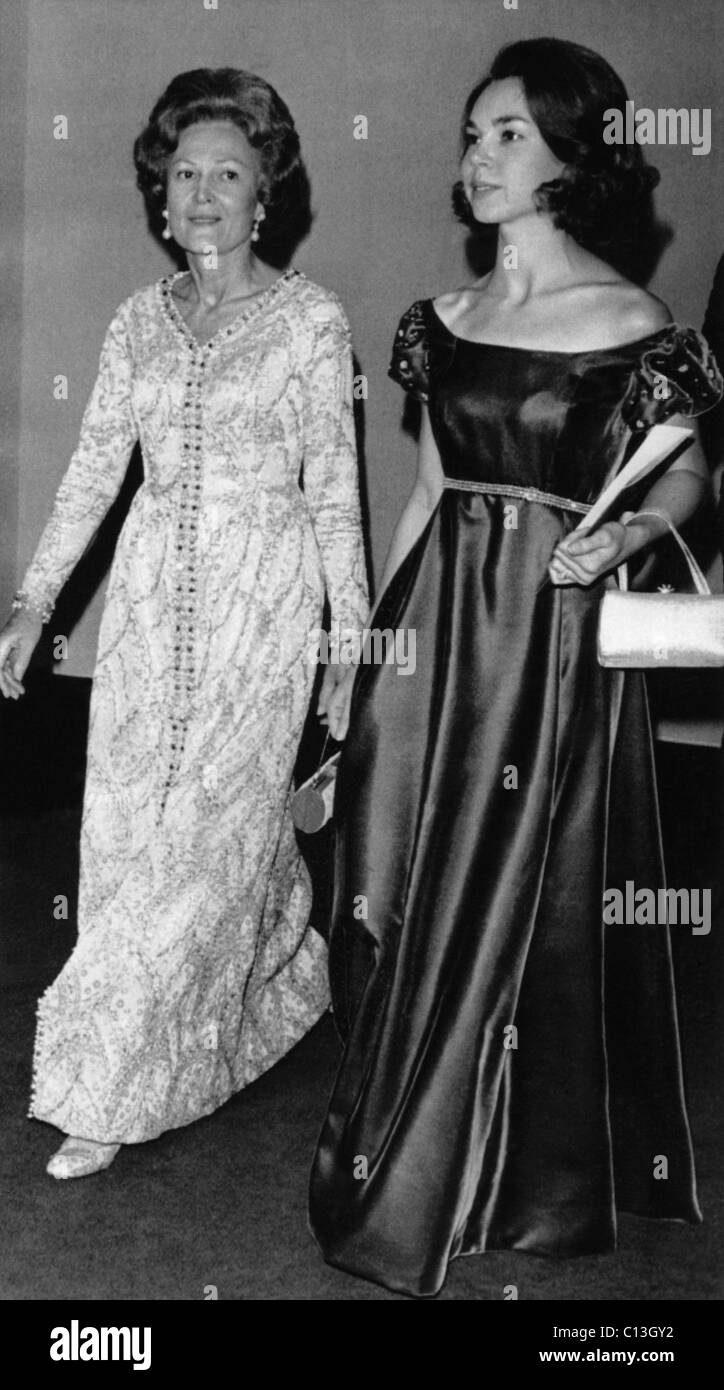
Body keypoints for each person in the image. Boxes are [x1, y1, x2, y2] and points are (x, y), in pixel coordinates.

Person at [309, 38, 722, 1297]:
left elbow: (689, 474)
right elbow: (431, 489)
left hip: (550, 640)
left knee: (520, 890)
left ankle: (490, 1172)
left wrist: (630, 531)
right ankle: (388, 1120)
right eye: (473, 135)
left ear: (564, 155)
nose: (477, 157)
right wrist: (367, 646)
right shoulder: (438, 323)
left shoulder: (635, 324)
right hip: (436, 628)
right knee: (386, 875)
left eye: (506, 136)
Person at [0, 68, 367, 1179]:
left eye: (229, 174)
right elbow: (93, 474)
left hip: (266, 607)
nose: (203, 193)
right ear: (161, 196)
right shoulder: (133, 323)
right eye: (184, 174)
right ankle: (275, 972)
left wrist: (347, 645)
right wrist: (33, 602)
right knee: (125, 835)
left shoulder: (310, 322)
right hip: (153, 609)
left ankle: (110, 1089)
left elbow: (335, 490)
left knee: (209, 839)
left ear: (267, 198)